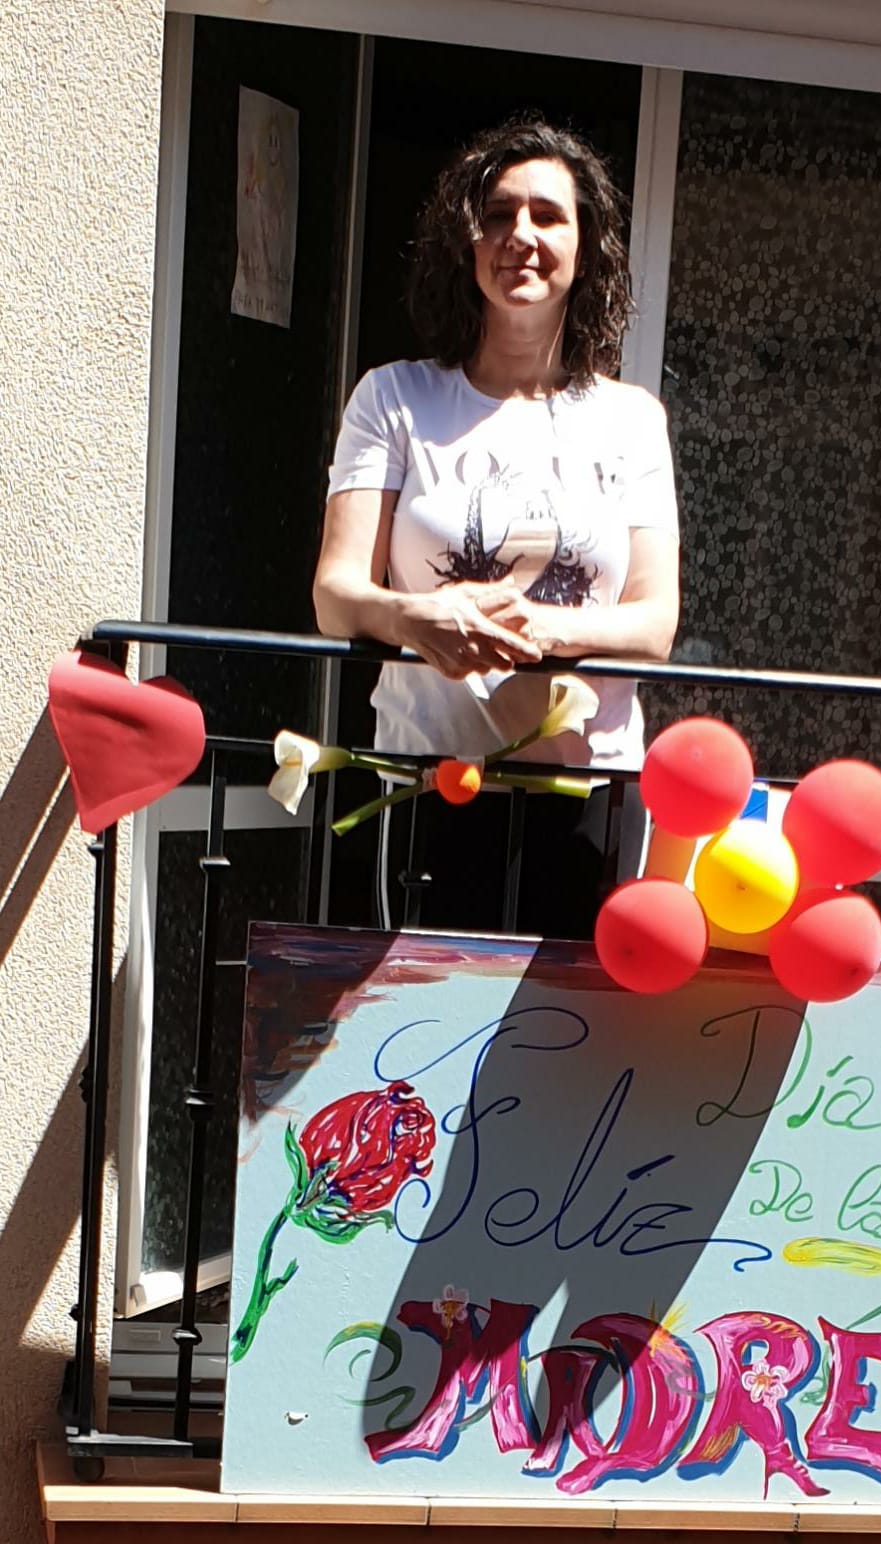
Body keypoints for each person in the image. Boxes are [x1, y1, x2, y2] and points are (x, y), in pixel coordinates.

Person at [313, 118, 681, 937]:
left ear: (586, 247)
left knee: (572, 1052)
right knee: (418, 1049)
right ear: (466, 241)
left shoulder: (630, 420)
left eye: (548, 215)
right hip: (426, 783)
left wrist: (539, 627)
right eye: (498, 213)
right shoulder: (394, 400)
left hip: (588, 796)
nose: (521, 236)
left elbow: (656, 625)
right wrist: (417, 617)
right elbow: (336, 595)